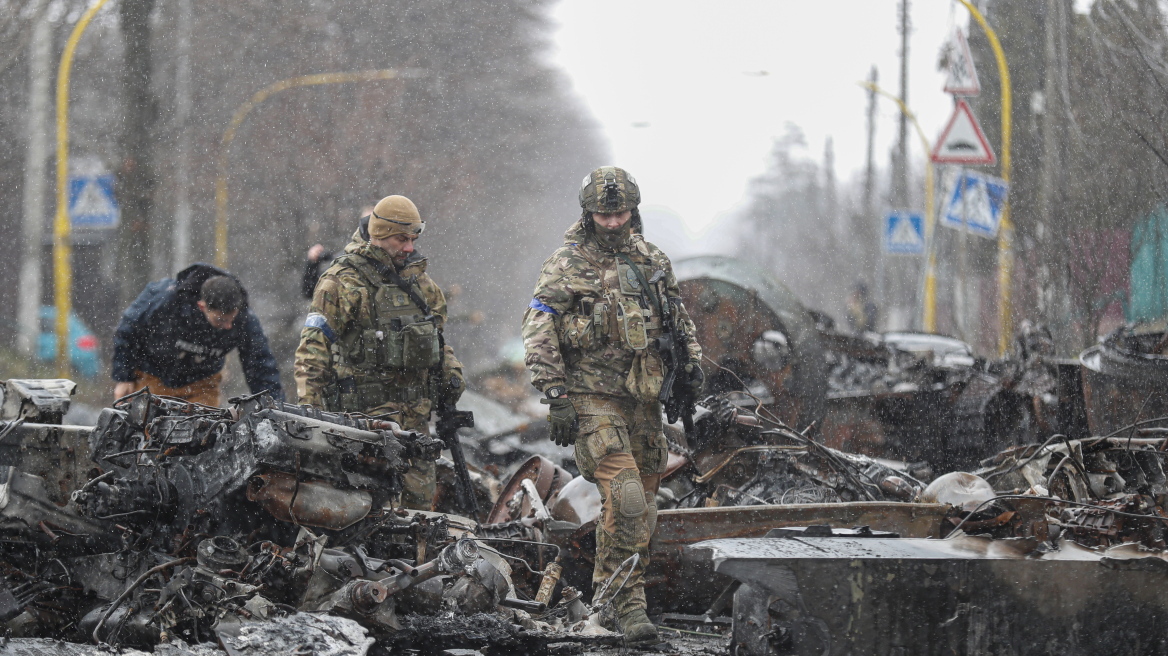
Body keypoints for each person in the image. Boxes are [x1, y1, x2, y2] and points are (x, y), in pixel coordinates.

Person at [521, 166, 703, 645]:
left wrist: (691, 370)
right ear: (588, 213)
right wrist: (555, 393)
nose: (613, 222)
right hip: (591, 397)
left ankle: (607, 591)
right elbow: (538, 327)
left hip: (643, 402)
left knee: (640, 509)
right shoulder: (566, 263)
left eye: (620, 212)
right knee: (622, 493)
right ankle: (629, 603)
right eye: (603, 214)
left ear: (633, 210)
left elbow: (678, 321)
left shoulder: (653, 260)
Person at [293, 194, 465, 511]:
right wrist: (310, 418)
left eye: (413, 239)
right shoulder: (341, 282)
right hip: (361, 429)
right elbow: (312, 352)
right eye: (402, 239)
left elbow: (436, 340)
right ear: (379, 234)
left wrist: (451, 375)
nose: (410, 247)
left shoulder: (422, 286)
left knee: (418, 517)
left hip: (415, 429)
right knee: (365, 515)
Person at [112, 264, 282, 405]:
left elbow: (260, 364)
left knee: (203, 437)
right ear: (202, 307)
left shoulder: (245, 320)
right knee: (150, 436)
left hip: (202, 383)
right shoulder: (164, 300)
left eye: (232, 319)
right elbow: (128, 330)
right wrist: (124, 377)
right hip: (153, 376)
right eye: (221, 320)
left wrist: (273, 406)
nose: (228, 325)